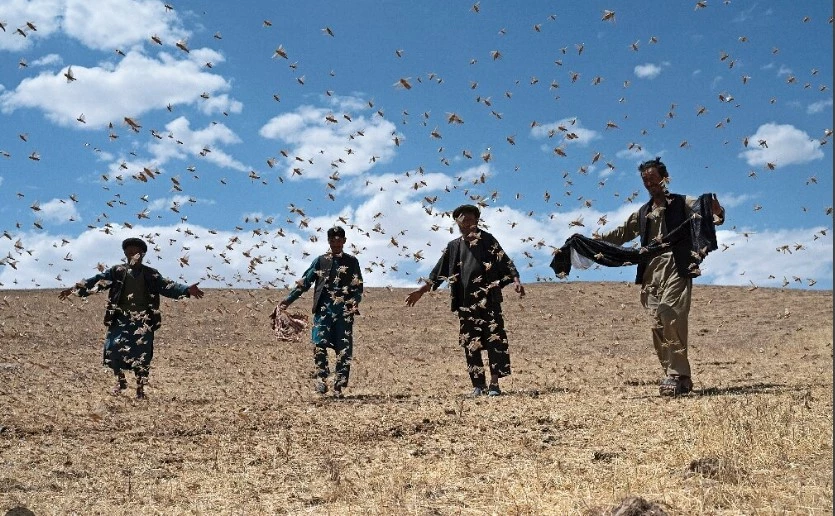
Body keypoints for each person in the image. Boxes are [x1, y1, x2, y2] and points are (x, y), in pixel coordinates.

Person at [597, 157, 724, 397]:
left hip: (676, 264)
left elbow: (708, 212)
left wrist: (717, 211)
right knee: (657, 323)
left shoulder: (681, 202)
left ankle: (677, 374)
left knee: (669, 313)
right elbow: (621, 233)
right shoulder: (643, 212)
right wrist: (593, 243)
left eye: (653, 179)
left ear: (664, 178)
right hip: (649, 272)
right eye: (645, 181)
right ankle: (676, 377)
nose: (650, 184)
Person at [58, 237, 204, 399]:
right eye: (129, 252)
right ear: (125, 254)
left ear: (142, 254)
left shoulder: (151, 274)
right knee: (113, 348)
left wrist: (186, 290)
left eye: (136, 252)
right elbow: (96, 282)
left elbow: (167, 286)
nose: (132, 255)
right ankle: (120, 382)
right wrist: (74, 289)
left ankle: (140, 390)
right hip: (120, 318)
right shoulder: (117, 272)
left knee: (141, 354)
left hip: (144, 320)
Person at [405, 204, 525, 397]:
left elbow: (505, 262)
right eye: (463, 220)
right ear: (457, 223)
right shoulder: (454, 247)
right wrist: (422, 290)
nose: (467, 223)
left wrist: (516, 281)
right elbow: (439, 272)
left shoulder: (487, 240)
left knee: (495, 341)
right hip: (466, 304)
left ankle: (494, 384)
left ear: (477, 221)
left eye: (471, 219)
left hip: (489, 300)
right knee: (471, 343)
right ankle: (478, 385)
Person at [278, 226, 363, 397]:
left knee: (344, 348)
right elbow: (305, 282)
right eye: (333, 240)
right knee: (319, 344)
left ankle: (338, 386)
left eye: (339, 240)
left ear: (345, 241)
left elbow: (358, 287)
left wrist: (354, 302)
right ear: (329, 242)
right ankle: (321, 380)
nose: (336, 243)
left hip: (343, 313)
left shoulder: (352, 262)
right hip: (324, 312)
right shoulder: (320, 261)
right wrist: (288, 300)